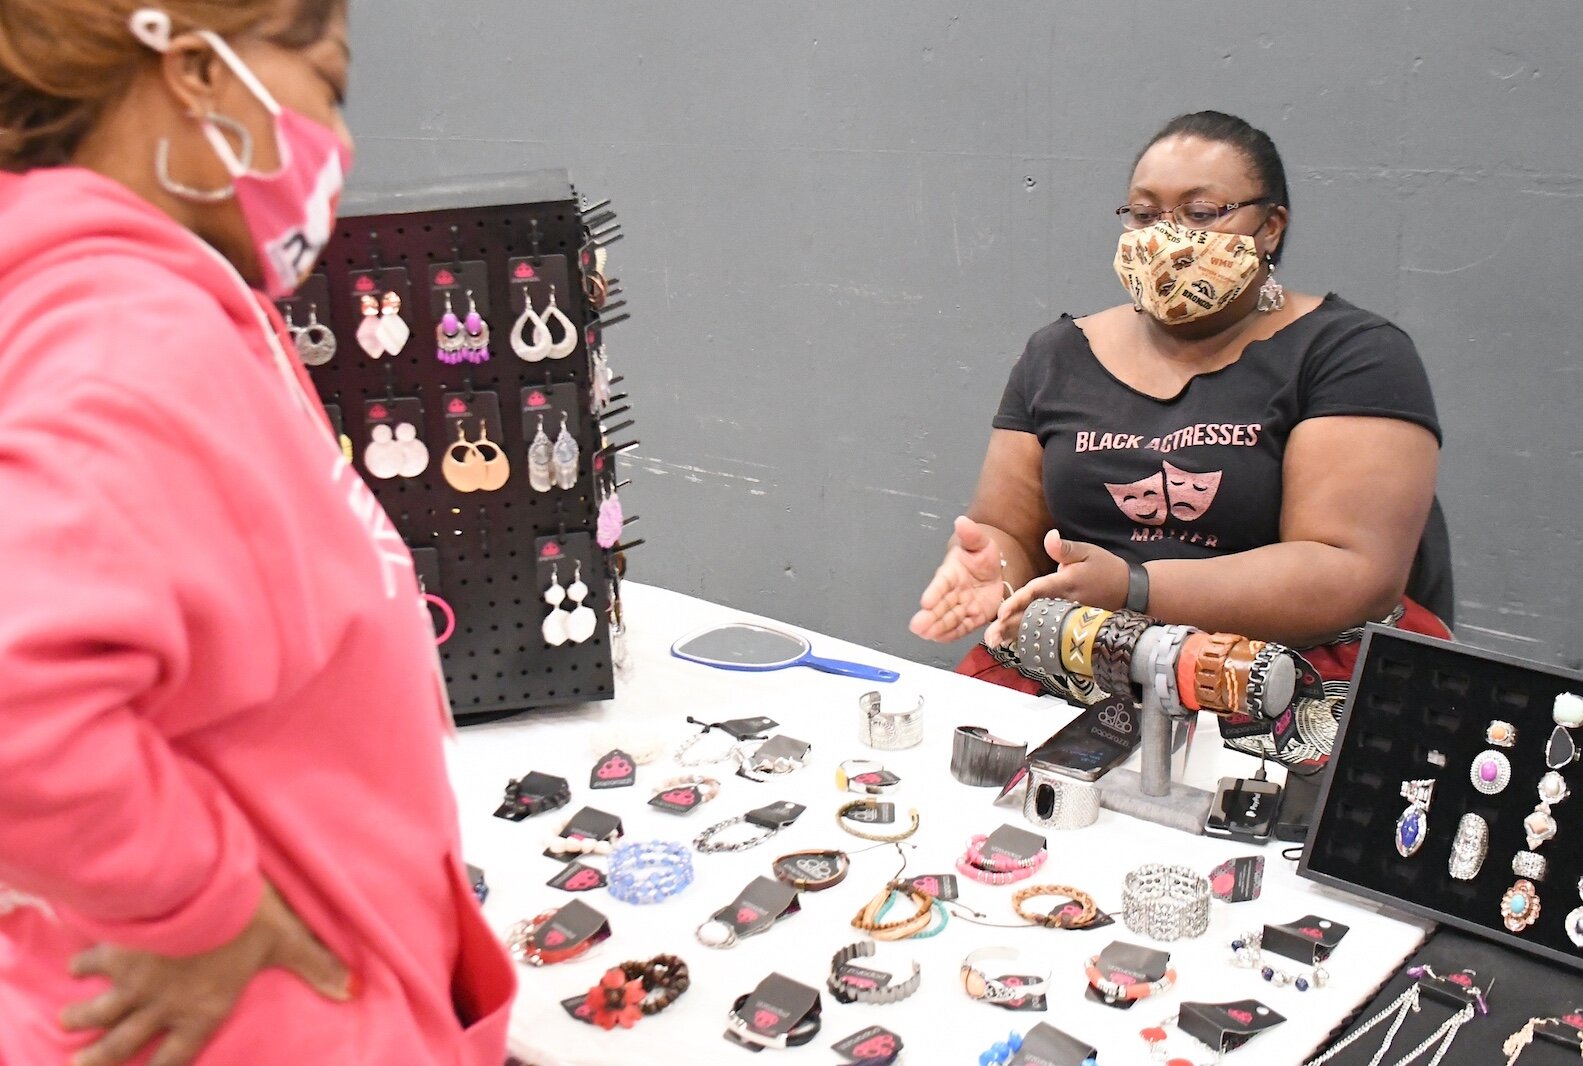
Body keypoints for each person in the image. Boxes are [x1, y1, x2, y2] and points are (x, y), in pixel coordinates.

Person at [0, 2, 513, 1064]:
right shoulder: (127, 336)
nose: (343, 139)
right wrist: (200, 901)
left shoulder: (93, 306)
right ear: (195, 72)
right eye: (327, 83)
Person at [910, 111, 1451, 755]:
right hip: (1072, 669)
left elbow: (1351, 570)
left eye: (1200, 213)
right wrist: (992, 575)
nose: (1166, 236)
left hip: (1282, 694)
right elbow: (1007, 530)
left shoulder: (1352, 353)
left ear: (1270, 226)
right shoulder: (1057, 354)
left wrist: (1135, 588)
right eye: (1143, 215)